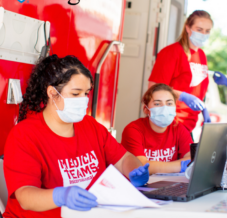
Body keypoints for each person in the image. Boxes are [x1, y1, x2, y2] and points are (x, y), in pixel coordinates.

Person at [3, 55, 149, 217]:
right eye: (75, 94)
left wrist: (135, 170)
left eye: (86, 93)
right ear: (52, 93)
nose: (83, 100)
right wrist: (60, 196)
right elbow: (25, 196)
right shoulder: (24, 135)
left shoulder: (90, 125)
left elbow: (123, 159)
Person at [148, 10, 213, 138]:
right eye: (199, 29)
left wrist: (203, 109)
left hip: (189, 125)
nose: (203, 34)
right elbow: (154, 87)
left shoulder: (201, 55)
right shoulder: (171, 52)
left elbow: (198, 89)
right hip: (170, 123)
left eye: (207, 31)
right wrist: (183, 96)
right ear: (187, 28)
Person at [121, 84, 192, 175]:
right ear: (146, 109)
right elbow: (140, 165)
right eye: (157, 104)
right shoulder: (133, 130)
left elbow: (191, 159)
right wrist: (180, 166)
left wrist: (154, 166)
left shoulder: (178, 128)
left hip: (168, 184)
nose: (164, 108)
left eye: (169, 103)